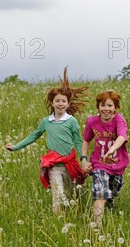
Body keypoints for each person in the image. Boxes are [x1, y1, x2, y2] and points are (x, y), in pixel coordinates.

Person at [5, 68, 88, 213]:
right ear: (52, 102)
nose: (60, 103)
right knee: (58, 195)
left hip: (70, 163)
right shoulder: (46, 121)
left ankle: (72, 215)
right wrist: (15, 147)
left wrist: (83, 159)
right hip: (54, 164)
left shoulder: (71, 121)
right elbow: (34, 136)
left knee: (70, 194)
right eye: (57, 101)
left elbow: (78, 141)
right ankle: (58, 218)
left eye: (63, 101)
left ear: (68, 104)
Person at [81, 90, 129, 225]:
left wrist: (112, 149)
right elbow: (86, 140)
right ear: (98, 107)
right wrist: (84, 159)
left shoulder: (119, 120)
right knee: (100, 194)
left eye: (110, 105)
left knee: (113, 190)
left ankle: (110, 200)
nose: (106, 109)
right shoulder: (92, 121)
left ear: (115, 107)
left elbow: (122, 137)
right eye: (103, 105)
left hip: (117, 164)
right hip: (99, 164)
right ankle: (97, 227)